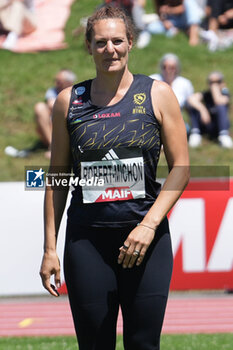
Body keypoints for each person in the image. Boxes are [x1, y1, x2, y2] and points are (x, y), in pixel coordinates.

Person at [39, 5, 189, 350]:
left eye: (118, 41)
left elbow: (181, 168)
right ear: (89, 46)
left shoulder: (158, 94)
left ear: (131, 42)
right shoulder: (68, 101)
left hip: (145, 242)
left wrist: (149, 225)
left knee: (143, 344)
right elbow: (57, 176)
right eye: (101, 42)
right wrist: (50, 248)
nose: (111, 49)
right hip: (86, 243)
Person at [34, 69, 77, 158]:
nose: (56, 83)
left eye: (60, 81)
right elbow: (51, 105)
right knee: (40, 107)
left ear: (69, 82)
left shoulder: (77, 91)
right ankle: (53, 147)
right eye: (56, 80)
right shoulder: (53, 91)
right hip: (54, 125)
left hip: (70, 126)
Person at [150, 53, 194, 133]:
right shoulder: (153, 80)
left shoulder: (185, 84)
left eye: (171, 67)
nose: (167, 70)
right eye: (164, 67)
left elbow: (190, 106)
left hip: (176, 121)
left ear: (177, 69)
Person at [188, 71, 233, 148]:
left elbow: (218, 101)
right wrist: (203, 110)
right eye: (211, 82)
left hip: (218, 126)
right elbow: (191, 99)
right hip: (206, 124)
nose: (214, 85)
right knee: (194, 106)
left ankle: (223, 135)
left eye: (217, 82)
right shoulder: (206, 94)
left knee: (220, 107)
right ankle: (195, 133)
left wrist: (215, 90)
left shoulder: (225, 93)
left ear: (222, 83)